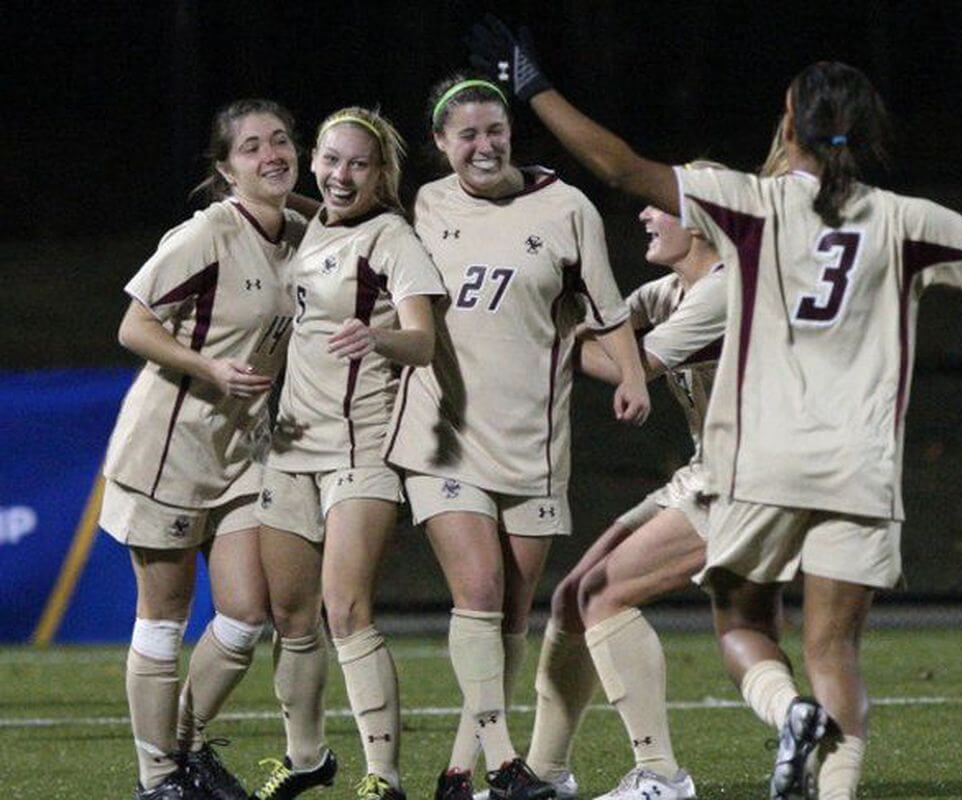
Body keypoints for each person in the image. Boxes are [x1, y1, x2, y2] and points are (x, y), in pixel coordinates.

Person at [467, 18, 962, 800]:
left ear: (789, 123)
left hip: (759, 461)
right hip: (859, 469)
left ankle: (772, 719)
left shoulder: (756, 208)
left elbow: (624, 169)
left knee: (742, 629)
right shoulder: (904, 221)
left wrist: (533, 85)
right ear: (868, 135)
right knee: (835, 653)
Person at [382, 74, 650, 800]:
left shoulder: (567, 209)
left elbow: (607, 308)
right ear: (440, 145)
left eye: (493, 130)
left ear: (510, 133)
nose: (482, 145)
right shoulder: (422, 205)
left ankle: (458, 772)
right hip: (441, 435)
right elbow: (350, 237)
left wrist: (632, 375)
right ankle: (507, 766)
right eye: (465, 134)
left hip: (533, 444)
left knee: (510, 615)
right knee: (478, 589)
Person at [100, 98, 307, 800]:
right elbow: (134, 326)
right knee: (164, 618)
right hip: (171, 449)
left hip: (245, 453)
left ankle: (181, 749)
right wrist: (210, 367)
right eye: (251, 148)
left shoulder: (305, 235)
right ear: (225, 170)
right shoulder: (204, 235)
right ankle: (157, 777)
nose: (271, 154)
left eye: (280, 141)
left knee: (250, 614)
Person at [253, 106, 444, 800]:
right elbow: (294, 208)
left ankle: (384, 777)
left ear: (380, 172)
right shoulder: (306, 231)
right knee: (291, 616)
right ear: (313, 160)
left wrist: (378, 338)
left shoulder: (393, 237)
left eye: (358, 163)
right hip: (290, 447)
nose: (342, 173)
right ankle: (305, 760)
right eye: (331, 159)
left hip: (361, 447)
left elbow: (423, 341)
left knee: (347, 609)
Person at [521, 198, 729, 800]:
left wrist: (557, 332)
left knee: (605, 596)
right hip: (707, 473)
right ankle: (543, 777)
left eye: (661, 206)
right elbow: (604, 327)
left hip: (753, 481)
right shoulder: (671, 290)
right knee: (569, 601)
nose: (642, 212)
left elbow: (633, 365)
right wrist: (566, 308)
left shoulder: (724, 291)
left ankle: (662, 776)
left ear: (700, 223)